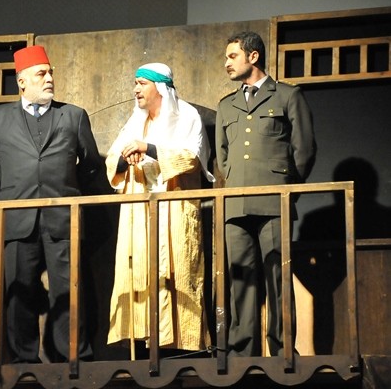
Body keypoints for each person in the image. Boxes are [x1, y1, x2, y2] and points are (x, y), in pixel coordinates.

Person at [0, 45, 100, 363]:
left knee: (68, 290)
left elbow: (91, 165)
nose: (49, 79)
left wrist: (70, 192)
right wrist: (3, 201)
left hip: (63, 217)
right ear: (22, 81)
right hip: (17, 218)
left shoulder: (73, 115)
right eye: (41, 74)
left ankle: (72, 358)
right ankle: (23, 360)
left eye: (50, 73)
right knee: (19, 291)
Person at [215, 31, 316, 357]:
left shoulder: (287, 95)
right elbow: (223, 158)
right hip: (236, 205)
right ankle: (241, 353)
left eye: (233, 56)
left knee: (278, 278)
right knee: (240, 282)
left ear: (253, 56)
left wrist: (287, 191)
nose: (227, 62)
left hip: (275, 203)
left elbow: (304, 150)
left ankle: (282, 351)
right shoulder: (226, 105)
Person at [106, 63, 215, 353]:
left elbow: (191, 158)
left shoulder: (187, 116)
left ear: (160, 87)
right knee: (139, 270)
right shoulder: (135, 122)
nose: (136, 89)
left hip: (174, 207)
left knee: (178, 271)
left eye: (142, 83)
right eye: (135, 83)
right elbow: (112, 160)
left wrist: (148, 148)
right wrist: (126, 158)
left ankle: (181, 348)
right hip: (139, 210)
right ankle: (142, 345)